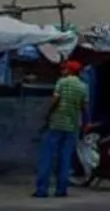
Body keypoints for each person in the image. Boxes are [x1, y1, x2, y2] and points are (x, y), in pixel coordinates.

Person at [33, 60, 88, 198]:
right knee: (65, 158)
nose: (62, 71)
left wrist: (46, 115)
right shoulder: (83, 86)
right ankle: (61, 190)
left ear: (69, 70)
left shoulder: (61, 82)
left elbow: (54, 101)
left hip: (56, 124)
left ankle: (42, 190)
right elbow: (84, 108)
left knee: (47, 157)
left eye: (64, 69)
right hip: (72, 126)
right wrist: (86, 123)